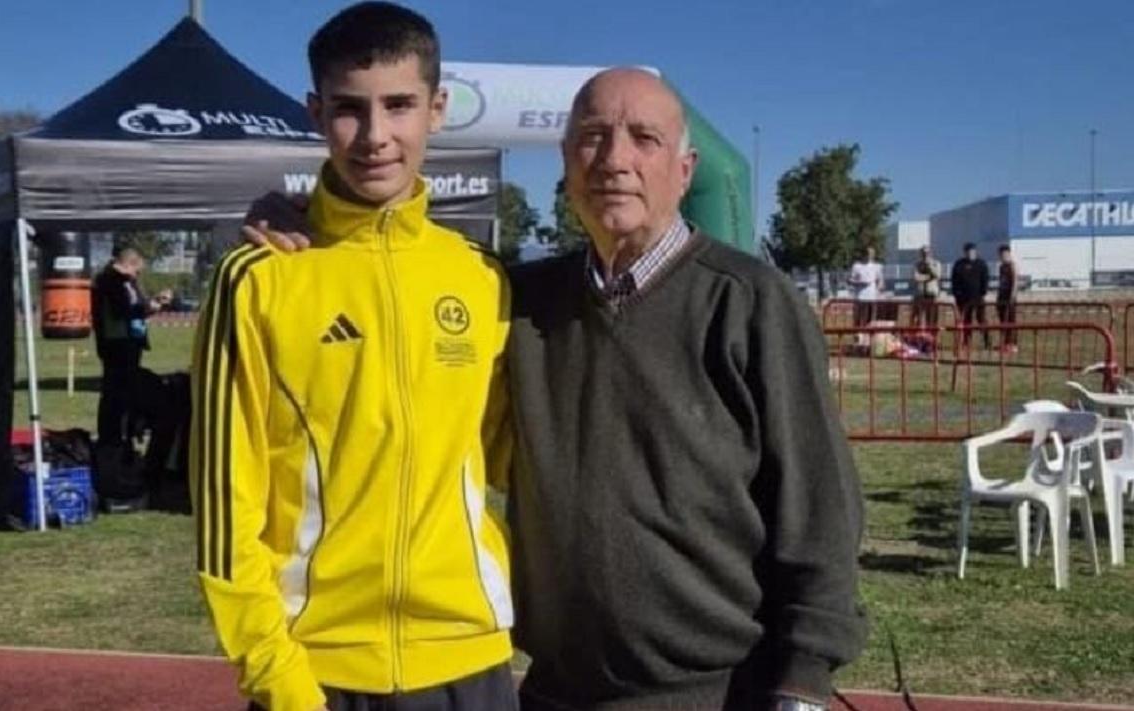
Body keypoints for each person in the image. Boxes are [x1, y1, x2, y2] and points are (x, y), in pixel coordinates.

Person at [245, 68, 865, 711]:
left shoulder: (749, 302)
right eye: (593, 137)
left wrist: (803, 678)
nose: (615, 160)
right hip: (556, 689)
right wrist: (316, 226)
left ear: (685, 171)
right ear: (566, 164)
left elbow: (818, 500)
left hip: (718, 692)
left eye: (644, 139)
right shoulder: (515, 300)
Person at [191, 5, 517, 711]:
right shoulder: (258, 280)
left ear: (437, 109)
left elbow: (517, 457)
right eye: (348, 108)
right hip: (317, 671)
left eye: (399, 105)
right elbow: (224, 509)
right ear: (316, 112)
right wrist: (278, 676)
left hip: (470, 664)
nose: (375, 136)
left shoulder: (482, 279)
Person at [91, 244, 164, 445]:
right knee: (115, 393)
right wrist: (147, 307)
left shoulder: (128, 282)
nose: (138, 275)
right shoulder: (109, 281)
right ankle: (112, 436)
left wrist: (151, 305)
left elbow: (136, 306)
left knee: (127, 391)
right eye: (137, 270)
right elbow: (121, 310)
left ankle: (125, 433)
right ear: (130, 264)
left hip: (130, 340)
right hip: (116, 343)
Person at [950, 242, 990, 349]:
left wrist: (983, 292)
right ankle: (967, 342)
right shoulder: (959, 264)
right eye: (968, 251)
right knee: (966, 320)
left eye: (972, 251)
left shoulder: (981, 264)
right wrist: (956, 294)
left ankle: (986, 341)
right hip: (963, 298)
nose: (970, 253)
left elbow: (985, 279)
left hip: (978, 297)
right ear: (965, 252)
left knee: (981, 319)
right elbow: (954, 280)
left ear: (975, 252)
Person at [848, 246, 883, 326]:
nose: (870, 255)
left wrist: (879, 289)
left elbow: (880, 281)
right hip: (860, 298)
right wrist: (859, 283)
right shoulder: (856, 266)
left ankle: (868, 332)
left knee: (871, 322)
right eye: (868, 253)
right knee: (859, 321)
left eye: (872, 253)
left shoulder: (877, 266)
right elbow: (850, 280)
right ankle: (858, 331)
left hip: (872, 298)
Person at [910, 246, 941, 329]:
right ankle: (919, 334)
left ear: (931, 253)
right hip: (920, 294)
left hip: (932, 294)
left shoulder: (936, 263)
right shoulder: (917, 265)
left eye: (927, 253)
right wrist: (929, 277)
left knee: (932, 318)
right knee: (918, 318)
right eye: (923, 253)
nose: (925, 254)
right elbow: (916, 278)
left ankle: (932, 334)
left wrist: (929, 266)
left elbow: (937, 275)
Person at [996, 244, 1018, 353]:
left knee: (1011, 320)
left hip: (1010, 296)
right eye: (1001, 255)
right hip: (1002, 296)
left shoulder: (1012, 265)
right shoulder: (1001, 267)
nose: (1003, 257)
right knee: (1003, 320)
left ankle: (1013, 344)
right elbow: (1001, 282)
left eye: (1005, 254)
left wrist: (1012, 295)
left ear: (1008, 254)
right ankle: (1005, 343)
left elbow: (1015, 281)